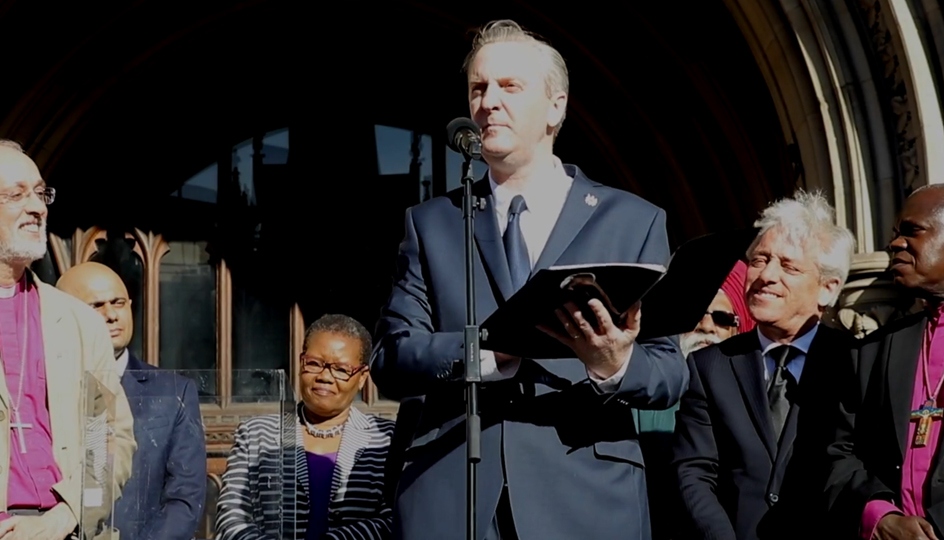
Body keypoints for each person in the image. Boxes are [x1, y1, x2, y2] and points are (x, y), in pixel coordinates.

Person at [372, 20, 688, 540]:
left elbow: (669, 374)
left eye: (509, 87)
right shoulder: (432, 224)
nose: (488, 102)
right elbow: (391, 358)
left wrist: (614, 365)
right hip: (455, 493)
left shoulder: (632, 220)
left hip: (585, 494)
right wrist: (484, 356)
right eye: (478, 88)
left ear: (557, 107)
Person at [672, 190, 855, 540]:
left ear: (827, 289)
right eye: (759, 260)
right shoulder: (710, 365)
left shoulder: (857, 362)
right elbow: (693, 471)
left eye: (788, 266)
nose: (766, 275)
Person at [0, 139, 135, 539]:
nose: (38, 207)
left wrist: (67, 514)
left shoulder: (78, 322)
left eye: (41, 194)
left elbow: (107, 438)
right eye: (18, 195)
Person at [826, 183, 944, 540]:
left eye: (912, 231)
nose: (895, 244)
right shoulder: (872, 350)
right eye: (895, 234)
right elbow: (839, 453)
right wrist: (879, 515)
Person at [56, 261, 206, 540]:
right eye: (96, 306)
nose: (112, 314)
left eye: (119, 302)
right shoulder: (42, 389)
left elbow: (185, 497)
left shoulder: (174, 392)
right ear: (63, 316)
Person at [216, 314, 394, 540]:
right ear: (301, 363)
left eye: (340, 369)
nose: (324, 377)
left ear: (361, 377)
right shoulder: (256, 434)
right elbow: (232, 515)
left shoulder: (385, 438)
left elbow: (394, 517)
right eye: (314, 363)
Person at [639, 260, 755, 539]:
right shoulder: (643, 394)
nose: (705, 326)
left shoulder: (755, 403)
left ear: (740, 329)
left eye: (722, 318)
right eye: (694, 314)